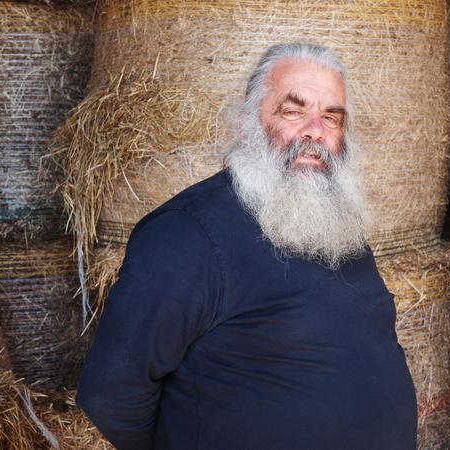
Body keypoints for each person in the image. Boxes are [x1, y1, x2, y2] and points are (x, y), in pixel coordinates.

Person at [76, 43, 417, 450]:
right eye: (293, 111)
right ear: (246, 124)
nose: (315, 131)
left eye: (331, 117)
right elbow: (111, 394)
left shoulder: (338, 229)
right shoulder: (186, 233)